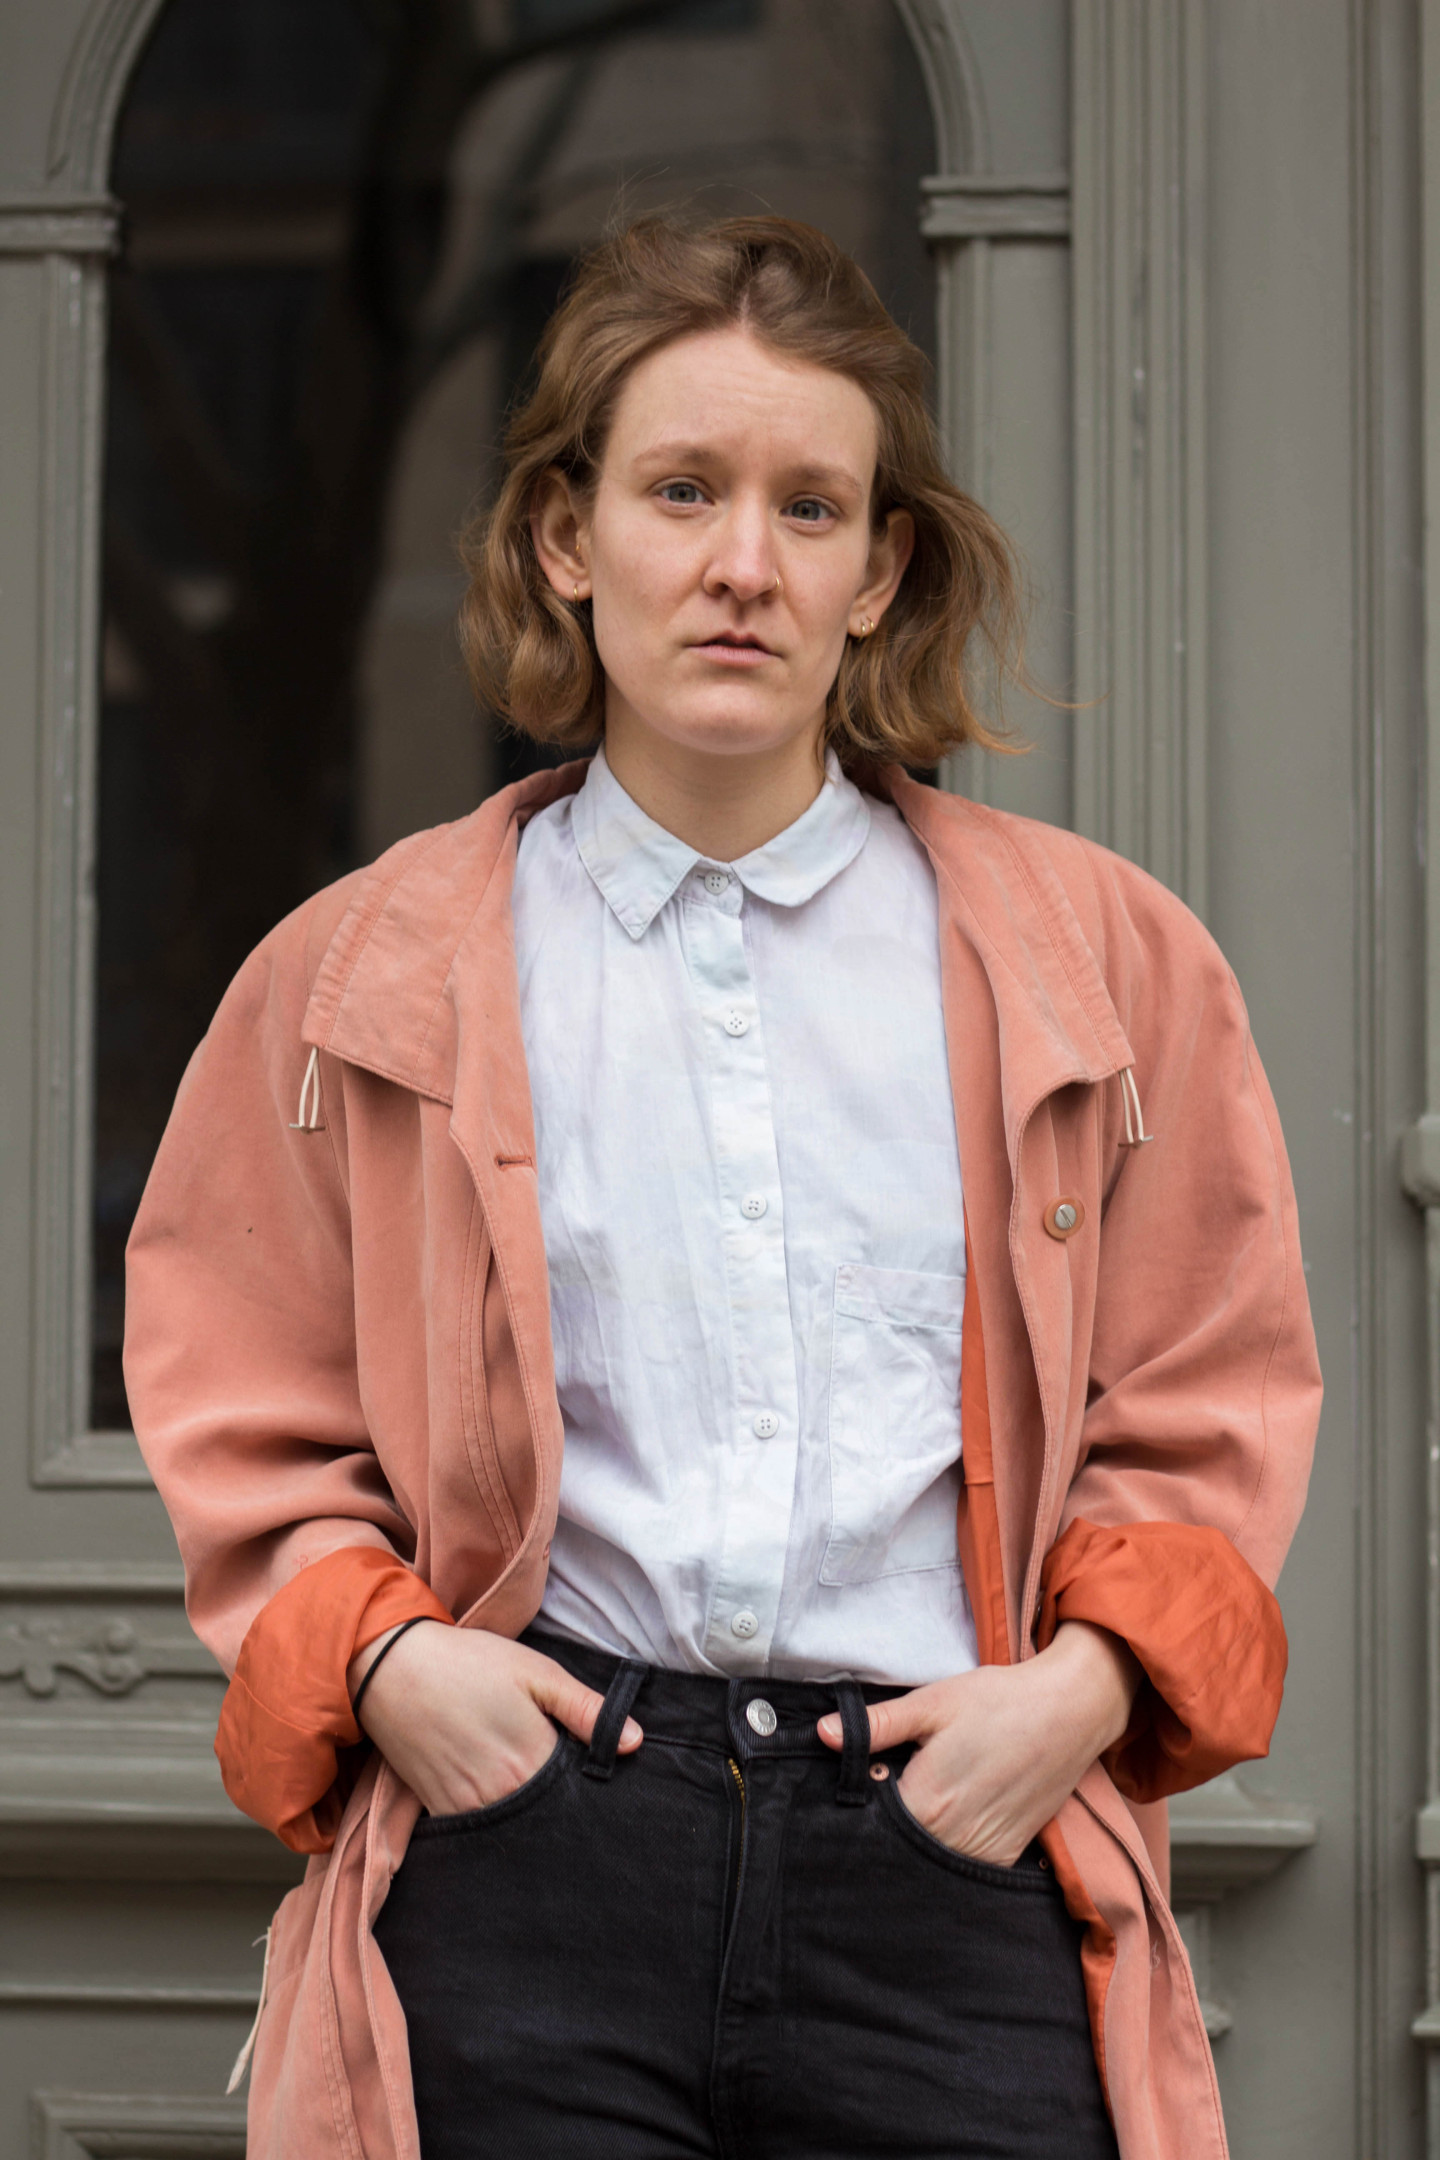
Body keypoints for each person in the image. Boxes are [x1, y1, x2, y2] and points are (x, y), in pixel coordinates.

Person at [124, 216, 1321, 2160]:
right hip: (530, 1851)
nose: (745, 562)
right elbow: (234, 1389)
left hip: (954, 1858)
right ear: (565, 536)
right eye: (682, 490)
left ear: (881, 571)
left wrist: (1086, 1689)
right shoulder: (364, 978)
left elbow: (1210, 1389)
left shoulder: (1102, 970)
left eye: (810, 505)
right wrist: (390, 1659)